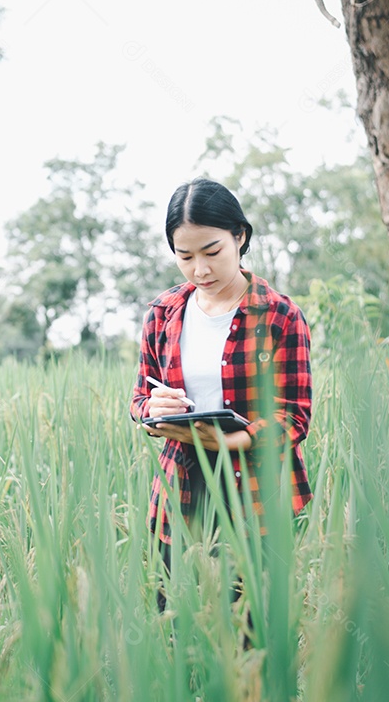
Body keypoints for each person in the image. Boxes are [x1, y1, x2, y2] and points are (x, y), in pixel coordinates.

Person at [129, 177, 314, 631]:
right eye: (185, 256)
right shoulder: (163, 313)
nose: (199, 269)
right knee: (173, 630)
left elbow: (294, 415)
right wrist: (155, 411)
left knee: (252, 636)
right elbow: (138, 399)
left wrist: (233, 441)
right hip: (180, 494)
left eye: (212, 252)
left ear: (240, 236)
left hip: (255, 494)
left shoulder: (279, 316)